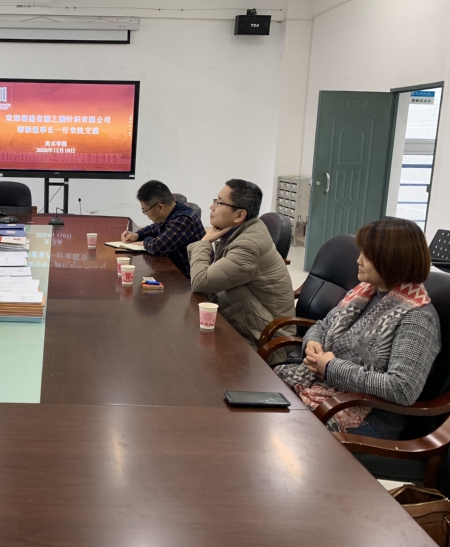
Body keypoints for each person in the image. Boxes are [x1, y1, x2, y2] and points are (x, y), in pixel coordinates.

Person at [275, 218, 440, 438]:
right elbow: (323, 325)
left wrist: (331, 368)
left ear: (392, 261)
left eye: (367, 256)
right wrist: (313, 342)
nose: (358, 260)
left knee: (281, 431)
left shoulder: (417, 317)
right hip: (329, 392)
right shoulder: (365, 292)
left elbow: (402, 389)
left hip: (370, 416)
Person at [187, 179, 294, 361]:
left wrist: (204, 242)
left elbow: (201, 282)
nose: (212, 206)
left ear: (239, 215)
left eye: (219, 202)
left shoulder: (248, 245)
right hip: (245, 318)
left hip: (266, 337)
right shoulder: (241, 231)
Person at [120, 180, 205, 277]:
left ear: (160, 207)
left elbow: (158, 247)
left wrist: (145, 241)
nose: (146, 214)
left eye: (145, 211)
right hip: (173, 271)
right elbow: (154, 228)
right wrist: (137, 235)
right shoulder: (172, 211)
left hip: (186, 279)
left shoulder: (184, 219)